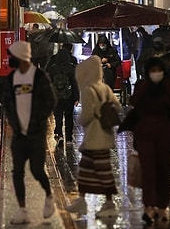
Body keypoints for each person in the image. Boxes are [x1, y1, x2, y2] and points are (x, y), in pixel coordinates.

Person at [2, 41, 57, 224]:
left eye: (13, 57)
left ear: (22, 58)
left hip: (35, 134)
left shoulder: (39, 76)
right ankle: (22, 209)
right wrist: (14, 123)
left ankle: (49, 196)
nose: (10, 60)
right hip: (19, 135)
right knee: (17, 172)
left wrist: (38, 121)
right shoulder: (11, 79)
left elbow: (50, 100)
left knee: (36, 170)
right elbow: (7, 102)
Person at [65, 55, 121, 218]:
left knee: (102, 171)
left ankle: (108, 204)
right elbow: (116, 106)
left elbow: (86, 115)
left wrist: (83, 119)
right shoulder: (105, 88)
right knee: (87, 169)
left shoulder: (88, 90)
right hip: (105, 136)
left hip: (94, 137)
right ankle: (82, 201)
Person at [129, 57, 170, 224]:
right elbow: (134, 102)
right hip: (145, 135)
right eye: (153, 70)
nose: (156, 74)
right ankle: (149, 207)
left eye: (159, 70)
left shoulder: (169, 87)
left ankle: (162, 206)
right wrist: (145, 87)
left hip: (165, 135)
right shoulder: (143, 86)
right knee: (149, 171)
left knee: (165, 171)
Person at [46, 48, 79, 145]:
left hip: (56, 98)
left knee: (58, 117)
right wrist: (76, 98)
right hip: (69, 97)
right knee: (69, 117)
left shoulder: (52, 68)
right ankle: (69, 137)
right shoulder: (72, 68)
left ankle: (59, 134)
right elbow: (75, 84)